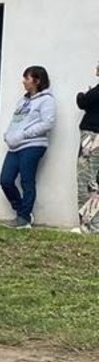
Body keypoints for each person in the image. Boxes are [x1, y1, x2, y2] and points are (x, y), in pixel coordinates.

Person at [0, 65, 56, 229]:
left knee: (27, 181)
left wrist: (24, 134)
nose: (23, 81)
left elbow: (48, 123)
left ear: (37, 81)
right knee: (6, 180)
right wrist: (8, 134)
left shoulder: (47, 100)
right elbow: (16, 120)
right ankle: (22, 211)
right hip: (15, 146)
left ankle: (24, 218)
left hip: (32, 145)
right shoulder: (23, 101)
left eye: (27, 78)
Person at [75, 61, 99, 233]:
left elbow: (83, 101)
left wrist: (82, 94)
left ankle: (88, 225)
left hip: (92, 137)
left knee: (87, 178)